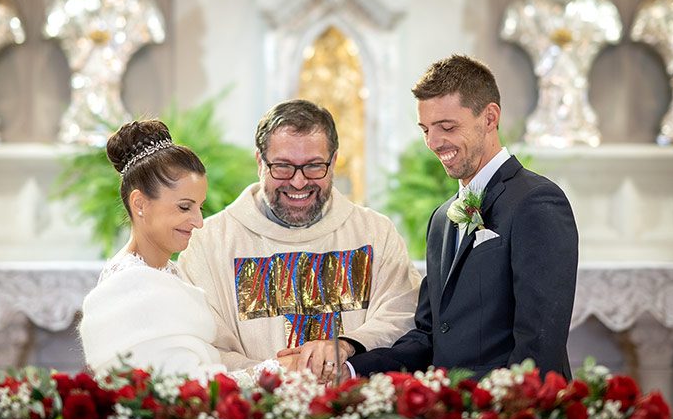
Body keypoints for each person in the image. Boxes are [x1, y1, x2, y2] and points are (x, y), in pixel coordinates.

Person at [347, 55, 579, 379]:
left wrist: (497, 407)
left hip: (510, 406)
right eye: (426, 129)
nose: (433, 142)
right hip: (450, 406)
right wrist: (350, 367)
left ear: (490, 118)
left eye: (447, 127)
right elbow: (428, 337)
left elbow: (539, 345)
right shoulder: (441, 220)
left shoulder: (536, 202)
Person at [178, 100, 420, 373]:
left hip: (355, 396)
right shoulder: (209, 243)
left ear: (334, 162)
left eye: (314, 166)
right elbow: (199, 345)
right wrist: (273, 372)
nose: (298, 182)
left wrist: (347, 345)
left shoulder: (375, 233)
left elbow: (402, 314)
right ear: (260, 162)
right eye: (283, 166)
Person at [79, 120, 224, 377]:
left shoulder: (170, 271)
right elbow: (175, 385)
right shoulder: (128, 283)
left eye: (199, 207)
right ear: (140, 204)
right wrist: (269, 371)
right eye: (184, 207)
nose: (199, 222)